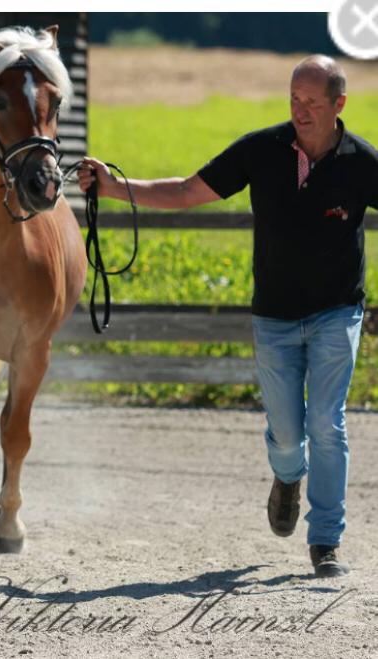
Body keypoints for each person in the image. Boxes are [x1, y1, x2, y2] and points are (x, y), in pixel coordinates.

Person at [79, 55, 378, 578]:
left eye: (312, 102)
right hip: (276, 320)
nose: (300, 111)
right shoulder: (261, 150)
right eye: (294, 99)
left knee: (327, 424)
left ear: (339, 104)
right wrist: (111, 187)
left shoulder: (361, 163)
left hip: (337, 314)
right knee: (288, 436)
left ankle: (325, 541)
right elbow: (187, 190)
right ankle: (288, 476)